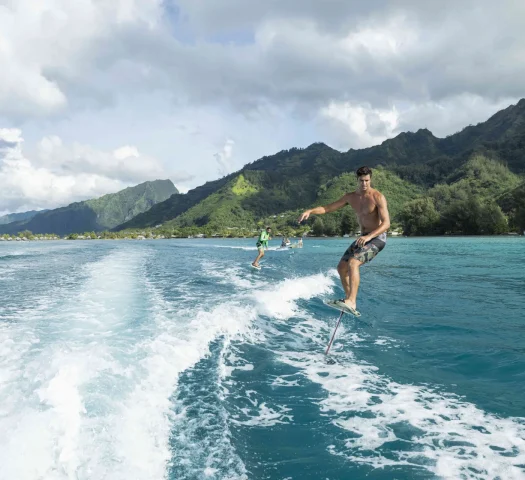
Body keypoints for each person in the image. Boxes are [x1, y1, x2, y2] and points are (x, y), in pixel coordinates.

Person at [297, 166, 390, 315]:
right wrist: (310, 211)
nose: (364, 184)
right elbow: (327, 208)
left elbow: (386, 224)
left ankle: (352, 301)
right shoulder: (350, 197)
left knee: (354, 263)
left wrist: (368, 237)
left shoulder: (377, 197)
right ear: (357, 180)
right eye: (361, 181)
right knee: (341, 268)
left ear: (370, 179)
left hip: (377, 238)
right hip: (363, 238)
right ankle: (349, 300)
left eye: (367, 180)